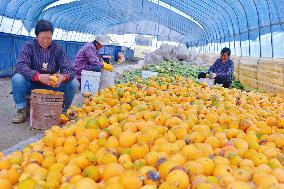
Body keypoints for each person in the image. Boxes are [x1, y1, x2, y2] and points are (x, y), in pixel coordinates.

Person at [11, 20, 79, 123]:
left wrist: (63, 77)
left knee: (74, 83)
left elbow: (69, 68)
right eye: (43, 38)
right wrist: (38, 76)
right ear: (36, 36)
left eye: (49, 38)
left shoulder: (57, 49)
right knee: (17, 78)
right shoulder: (29, 47)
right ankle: (21, 109)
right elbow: (21, 65)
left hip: (52, 85)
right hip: (32, 84)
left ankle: (63, 110)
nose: (46, 41)